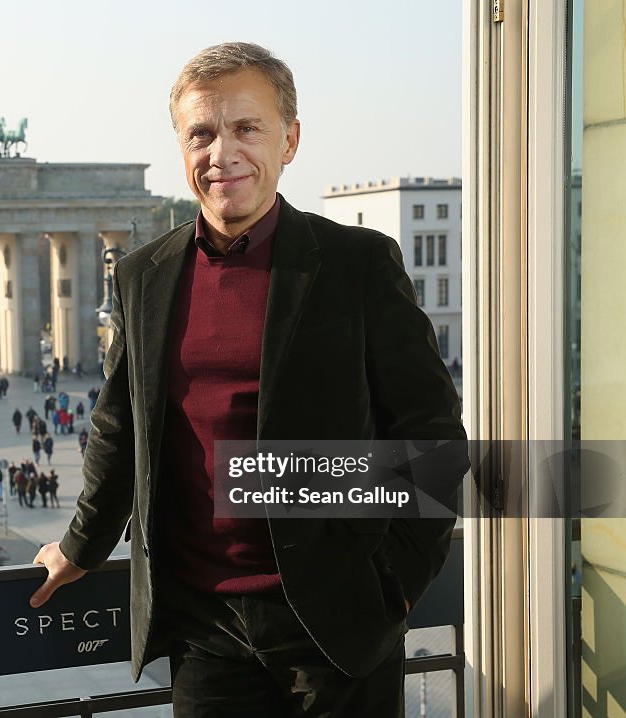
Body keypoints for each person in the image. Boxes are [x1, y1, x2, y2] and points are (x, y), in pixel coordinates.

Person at [29, 42, 468, 717]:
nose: (221, 152)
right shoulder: (145, 274)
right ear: (182, 146)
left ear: (289, 140)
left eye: (246, 128)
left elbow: (433, 436)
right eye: (201, 132)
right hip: (206, 632)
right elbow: (121, 426)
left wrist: (397, 582)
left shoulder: (356, 265)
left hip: (335, 625)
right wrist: (82, 544)